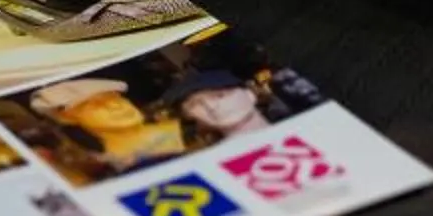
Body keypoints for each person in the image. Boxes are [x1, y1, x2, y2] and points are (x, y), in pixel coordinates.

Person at [24, 76, 186, 175]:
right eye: (98, 104)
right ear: (67, 118)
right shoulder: (94, 164)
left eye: (116, 98)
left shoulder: (182, 132)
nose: (116, 106)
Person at [161, 67, 271, 146]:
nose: (210, 106)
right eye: (194, 105)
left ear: (249, 94)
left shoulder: (287, 126)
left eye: (220, 95)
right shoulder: (217, 167)